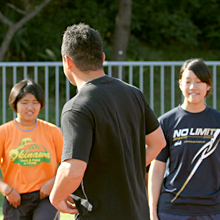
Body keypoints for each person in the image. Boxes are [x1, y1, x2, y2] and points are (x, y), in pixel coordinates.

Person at [49, 23, 166, 220]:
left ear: (67, 61)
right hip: (137, 212)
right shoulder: (133, 93)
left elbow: (73, 170)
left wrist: (56, 195)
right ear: (102, 58)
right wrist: (128, 168)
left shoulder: (76, 108)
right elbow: (158, 143)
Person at [148, 58, 220, 220]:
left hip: (213, 209)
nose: (193, 87)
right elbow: (157, 168)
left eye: (199, 82)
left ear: (208, 86)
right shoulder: (166, 122)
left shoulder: (218, 121)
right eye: (188, 82)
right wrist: (152, 210)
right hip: (173, 209)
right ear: (180, 84)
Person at [0, 79, 63, 220]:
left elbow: (67, 164)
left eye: (35, 102)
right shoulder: (3, 132)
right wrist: (7, 190)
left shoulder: (53, 131)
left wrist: (52, 183)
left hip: (45, 196)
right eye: (24, 102)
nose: (30, 107)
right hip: (15, 198)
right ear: (14, 104)